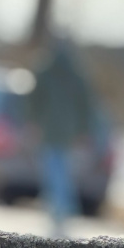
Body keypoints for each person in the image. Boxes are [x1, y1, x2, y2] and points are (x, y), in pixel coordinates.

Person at [26, 35, 100, 237]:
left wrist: (33, 123)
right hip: (69, 132)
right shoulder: (77, 75)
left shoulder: (44, 72)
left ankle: (59, 210)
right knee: (64, 172)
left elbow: (33, 102)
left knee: (52, 171)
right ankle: (63, 209)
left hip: (48, 131)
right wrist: (83, 130)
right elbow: (86, 106)